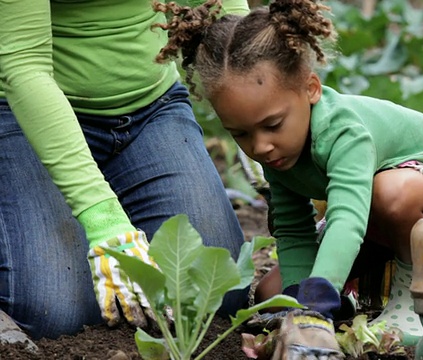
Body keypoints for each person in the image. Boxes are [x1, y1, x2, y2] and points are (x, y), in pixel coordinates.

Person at [153, 0, 423, 353]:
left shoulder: (344, 132)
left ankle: (414, 299)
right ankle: (340, 311)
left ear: (311, 89)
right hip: (372, 212)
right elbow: (292, 228)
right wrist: (298, 310)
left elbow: (347, 219)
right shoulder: (278, 150)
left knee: (390, 193)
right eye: (240, 134)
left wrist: (315, 307)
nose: (261, 147)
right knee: (274, 296)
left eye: (272, 125)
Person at [0, 0, 251, 340]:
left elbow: (225, 13)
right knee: (58, 315)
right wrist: (104, 220)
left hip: (152, 108)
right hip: (22, 115)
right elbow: (22, 64)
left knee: (216, 291)